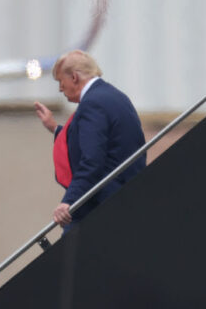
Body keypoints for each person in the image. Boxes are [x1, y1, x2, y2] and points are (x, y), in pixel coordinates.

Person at [34, 50, 146, 230]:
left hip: (100, 207)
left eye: (61, 81)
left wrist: (69, 201)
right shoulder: (115, 96)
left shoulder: (92, 104)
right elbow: (105, 144)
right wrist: (54, 128)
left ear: (74, 77)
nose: (60, 88)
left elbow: (93, 159)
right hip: (126, 199)